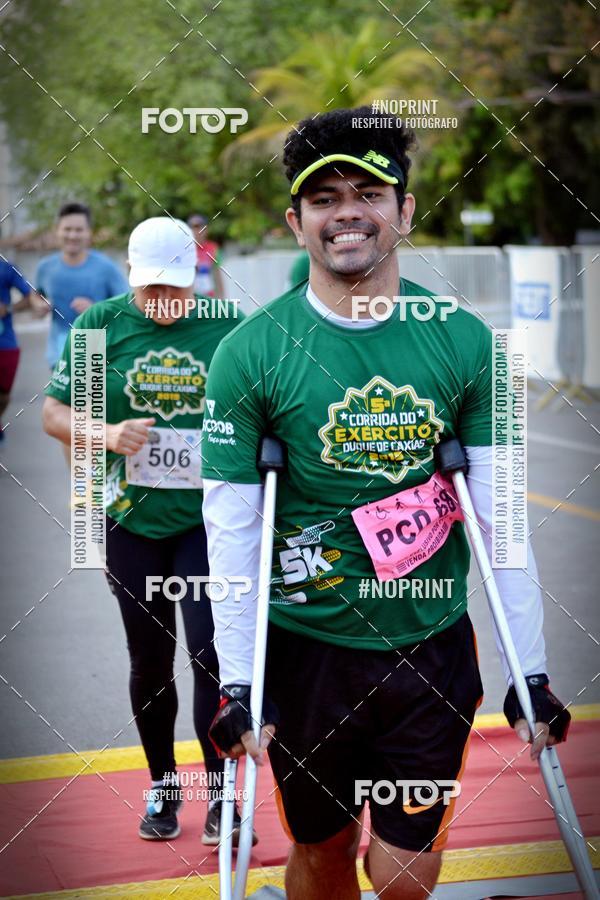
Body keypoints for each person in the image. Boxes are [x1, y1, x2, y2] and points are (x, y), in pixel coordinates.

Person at [201, 108, 570, 900]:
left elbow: (501, 517)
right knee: (325, 858)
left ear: (404, 210)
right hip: (305, 654)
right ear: (295, 222)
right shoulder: (249, 355)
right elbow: (231, 530)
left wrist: (531, 669)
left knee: (404, 879)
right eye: (325, 197)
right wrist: (237, 683)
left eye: (368, 192)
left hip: (430, 650)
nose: (347, 213)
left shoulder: (467, 346)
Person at [42, 217, 249, 845]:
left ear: (196, 278)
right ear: (130, 275)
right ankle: (163, 785)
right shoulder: (100, 326)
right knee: (150, 660)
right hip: (131, 519)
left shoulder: (229, 325)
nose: (165, 303)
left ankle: (222, 794)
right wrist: (104, 434)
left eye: (178, 290)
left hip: (209, 522)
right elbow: (53, 413)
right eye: (153, 289)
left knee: (212, 654)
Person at [35, 202, 128, 369]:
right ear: (57, 230)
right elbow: (36, 294)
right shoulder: (45, 267)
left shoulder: (107, 268)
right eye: (67, 229)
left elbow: (127, 307)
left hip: (92, 353)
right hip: (57, 355)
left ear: (89, 233)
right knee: (58, 396)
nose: (72, 235)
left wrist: (96, 310)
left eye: (79, 230)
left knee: (85, 396)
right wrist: (39, 305)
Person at [0, 258, 35, 442]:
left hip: (5, 342)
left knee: (4, 393)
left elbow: (31, 296)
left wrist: (9, 308)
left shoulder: (6, 267)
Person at [187, 214, 225, 299]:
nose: (196, 231)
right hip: (191, 299)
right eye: (193, 227)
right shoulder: (185, 250)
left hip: (209, 298)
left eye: (199, 227)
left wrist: (221, 300)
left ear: (206, 229)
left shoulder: (213, 248)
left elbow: (217, 276)